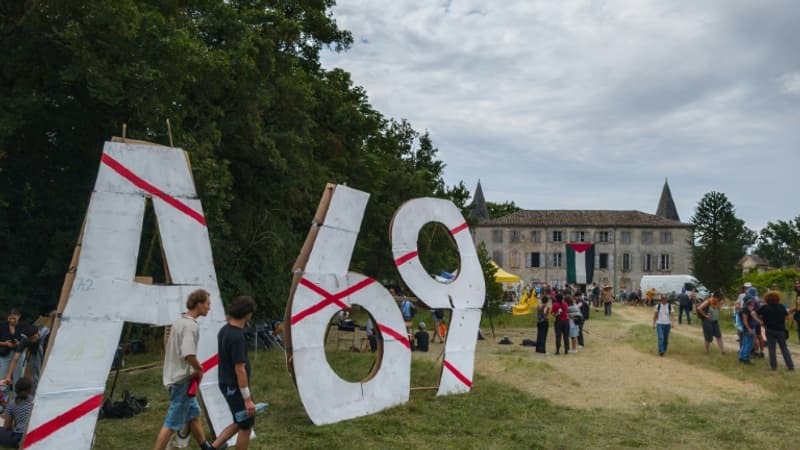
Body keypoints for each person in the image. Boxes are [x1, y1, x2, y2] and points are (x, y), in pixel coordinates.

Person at [153, 289, 218, 450]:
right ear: (199, 304)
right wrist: (199, 368)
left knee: (193, 414)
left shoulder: (179, 322)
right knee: (172, 423)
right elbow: (188, 354)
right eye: (207, 304)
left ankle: (205, 447)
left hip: (174, 377)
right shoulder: (191, 326)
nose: (209, 307)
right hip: (181, 381)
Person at [211, 296, 259, 450]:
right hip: (234, 386)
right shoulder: (237, 337)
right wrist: (247, 399)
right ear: (248, 314)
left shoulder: (224, 330)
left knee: (239, 420)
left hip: (226, 383)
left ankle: (212, 448)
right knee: (246, 425)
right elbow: (240, 369)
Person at [2, 324, 47, 394]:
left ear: (38, 333)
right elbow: (15, 359)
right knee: (35, 373)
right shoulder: (25, 340)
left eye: (34, 337)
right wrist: (8, 376)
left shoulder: (47, 334)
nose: (33, 340)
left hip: (47, 349)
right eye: (31, 339)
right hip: (34, 354)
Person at [756, 291, 795, 371]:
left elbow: (755, 313)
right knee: (784, 348)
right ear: (777, 298)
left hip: (769, 330)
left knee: (772, 349)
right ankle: (790, 366)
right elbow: (787, 317)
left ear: (767, 299)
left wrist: (760, 321)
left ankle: (774, 367)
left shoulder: (765, 307)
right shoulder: (781, 306)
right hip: (781, 330)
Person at [0, 378, 33, 449]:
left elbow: (6, 426)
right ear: (30, 390)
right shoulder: (34, 401)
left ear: (16, 390)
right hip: (33, 434)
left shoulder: (11, 404)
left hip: (19, 438)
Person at [738, 299, 761, 364]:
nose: (753, 307)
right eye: (753, 305)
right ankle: (745, 359)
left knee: (745, 343)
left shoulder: (746, 310)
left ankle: (741, 357)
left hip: (748, 328)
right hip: (749, 329)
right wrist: (749, 329)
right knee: (749, 344)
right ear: (750, 305)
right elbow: (745, 321)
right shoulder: (745, 311)